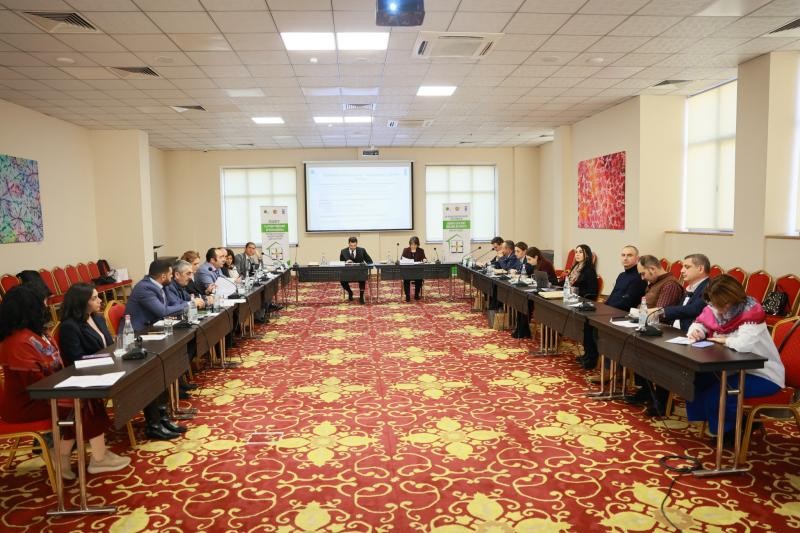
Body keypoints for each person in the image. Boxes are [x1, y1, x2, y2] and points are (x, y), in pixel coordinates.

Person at [0, 286, 130, 479]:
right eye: (42, 304)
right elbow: (36, 384)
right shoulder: (17, 342)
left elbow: (56, 366)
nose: (46, 308)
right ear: (29, 309)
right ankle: (88, 457)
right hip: (27, 402)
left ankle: (74, 455)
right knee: (82, 402)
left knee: (87, 396)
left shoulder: (38, 333)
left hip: (48, 390)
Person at [59, 283, 185, 441]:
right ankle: (154, 425)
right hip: (92, 372)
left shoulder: (97, 319)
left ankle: (162, 418)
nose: (100, 301)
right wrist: (106, 359)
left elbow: (110, 345)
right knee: (144, 378)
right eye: (94, 298)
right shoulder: (69, 327)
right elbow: (76, 359)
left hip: (109, 364)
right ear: (81, 302)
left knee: (154, 368)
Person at [686, 275, 785, 444]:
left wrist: (725, 340)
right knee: (697, 379)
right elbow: (700, 323)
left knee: (719, 392)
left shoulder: (752, 312)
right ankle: (722, 422)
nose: (719, 310)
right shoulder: (715, 305)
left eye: (723, 304)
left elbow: (743, 345)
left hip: (763, 374)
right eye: (715, 304)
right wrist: (697, 332)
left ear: (733, 299)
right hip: (732, 367)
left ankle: (729, 432)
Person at [624, 256, 685, 413]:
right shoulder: (655, 282)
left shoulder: (670, 285)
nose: (642, 278)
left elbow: (660, 314)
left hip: (663, 332)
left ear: (652, 269)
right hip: (650, 328)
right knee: (634, 347)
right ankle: (646, 391)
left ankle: (660, 400)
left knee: (658, 365)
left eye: (643, 273)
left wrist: (640, 314)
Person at [124, 260, 189, 332]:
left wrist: (176, 311)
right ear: (163, 277)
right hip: (137, 332)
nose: (172, 276)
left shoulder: (164, 285)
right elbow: (163, 312)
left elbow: (175, 302)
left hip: (154, 327)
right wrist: (189, 304)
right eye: (170, 274)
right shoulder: (144, 288)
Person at [661, 253, 711, 332]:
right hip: (675, 330)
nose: (681, 271)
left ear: (700, 269)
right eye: (682, 267)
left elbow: (694, 309)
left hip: (690, 333)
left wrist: (662, 311)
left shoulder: (710, 287)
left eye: (687, 267)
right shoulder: (691, 287)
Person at [604, 245, 648, 312]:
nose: (625, 258)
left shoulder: (639, 277)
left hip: (623, 314)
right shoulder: (621, 275)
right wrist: (604, 307)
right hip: (610, 310)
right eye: (623, 255)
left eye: (629, 255)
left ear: (637, 258)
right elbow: (612, 296)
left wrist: (608, 308)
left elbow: (627, 303)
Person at [339, 237, 373, 304]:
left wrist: (364, 264)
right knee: (342, 280)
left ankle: (361, 296)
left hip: (359, 272)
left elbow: (370, 261)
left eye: (354, 245)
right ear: (348, 244)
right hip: (348, 273)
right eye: (351, 245)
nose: (353, 247)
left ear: (356, 244)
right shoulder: (343, 251)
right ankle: (350, 292)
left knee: (363, 278)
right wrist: (346, 262)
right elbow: (341, 263)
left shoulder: (362, 250)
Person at [401, 236, 427, 302]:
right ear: (410, 244)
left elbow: (424, 258)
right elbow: (402, 260)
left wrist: (424, 259)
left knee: (419, 278)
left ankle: (416, 294)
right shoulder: (406, 250)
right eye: (412, 244)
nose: (413, 246)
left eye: (415, 245)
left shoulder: (421, 250)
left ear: (417, 244)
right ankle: (407, 295)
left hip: (417, 271)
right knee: (406, 279)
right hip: (408, 271)